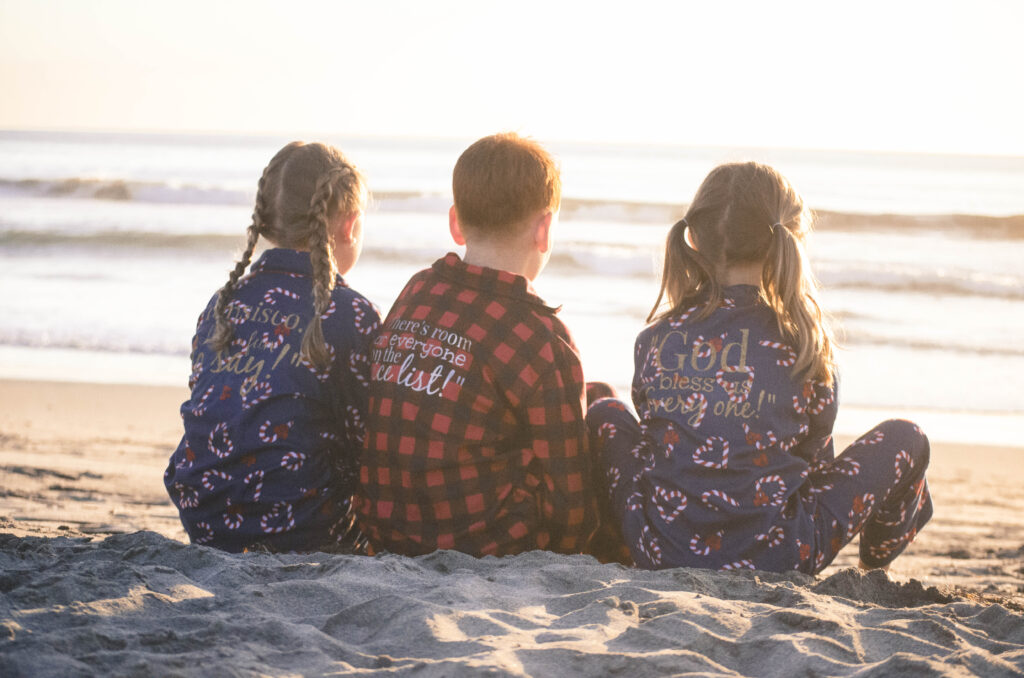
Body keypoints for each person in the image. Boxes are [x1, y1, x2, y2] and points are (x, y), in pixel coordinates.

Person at [588, 162, 932, 573]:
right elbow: (814, 456)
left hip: (661, 549)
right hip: (780, 556)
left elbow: (656, 433)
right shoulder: (806, 346)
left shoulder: (657, 339)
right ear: (788, 239)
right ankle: (876, 567)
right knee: (907, 437)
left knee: (604, 412)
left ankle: (613, 546)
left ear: (694, 236)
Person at [356, 132, 599, 557]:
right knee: (598, 414)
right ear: (544, 229)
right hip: (483, 546)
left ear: (456, 223)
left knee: (593, 396)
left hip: (389, 532)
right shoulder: (539, 334)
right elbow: (570, 501)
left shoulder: (419, 289)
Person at [164, 141, 380, 553]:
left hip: (202, 513)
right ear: (350, 225)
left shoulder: (224, 302)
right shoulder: (351, 314)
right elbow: (364, 443)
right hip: (303, 526)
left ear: (267, 222)